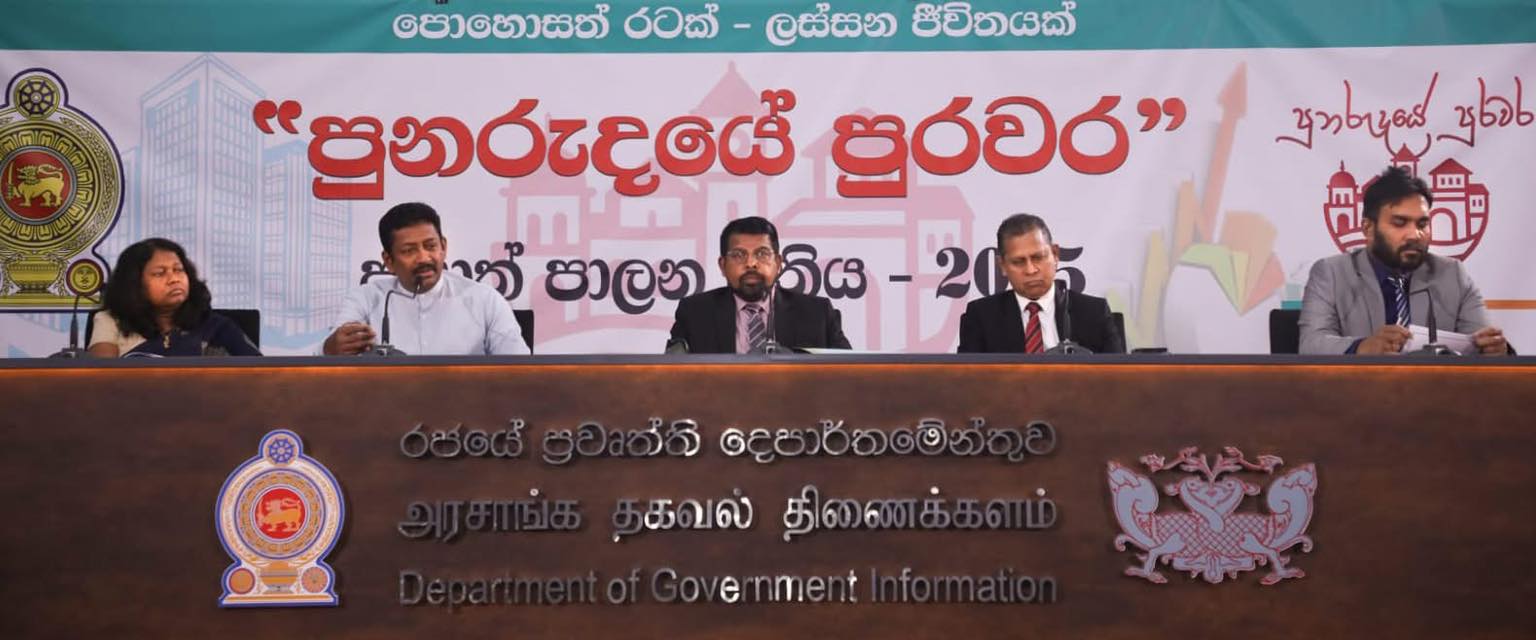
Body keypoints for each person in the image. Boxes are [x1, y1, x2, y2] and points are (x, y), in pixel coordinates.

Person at [1299, 166, 1512, 355]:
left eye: (1422, 224)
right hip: (1359, 387)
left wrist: (1495, 350)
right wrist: (1362, 347)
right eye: (1400, 223)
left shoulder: (1452, 274)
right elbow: (1311, 345)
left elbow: (1481, 342)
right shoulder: (1332, 273)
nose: (1414, 235)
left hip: (1436, 387)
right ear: (1368, 228)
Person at [323, 202, 529, 356]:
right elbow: (326, 356)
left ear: (443, 247)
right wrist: (332, 347)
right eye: (409, 250)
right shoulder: (366, 299)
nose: (423, 258)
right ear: (389, 261)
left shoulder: (484, 300)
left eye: (431, 246)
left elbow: (519, 368)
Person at [667, 216, 850, 353]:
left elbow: (851, 373)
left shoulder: (817, 313)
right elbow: (672, 375)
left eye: (762, 254)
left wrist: (794, 365)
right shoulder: (695, 313)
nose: (751, 263)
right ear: (722, 265)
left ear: (778, 263)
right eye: (738, 255)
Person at [958, 213, 1123, 354]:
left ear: (1055, 254)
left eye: (1038, 257)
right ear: (1002, 266)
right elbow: (967, 378)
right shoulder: (981, 317)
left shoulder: (1094, 312)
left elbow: (1117, 377)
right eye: (1018, 262)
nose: (1030, 270)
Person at [87, 238, 260, 357]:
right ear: (134, 283)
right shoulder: (111, 321)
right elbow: (101, 379)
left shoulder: (216, 327)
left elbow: (260, 376)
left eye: (179, 270)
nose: (174, 279)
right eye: (160, 273)